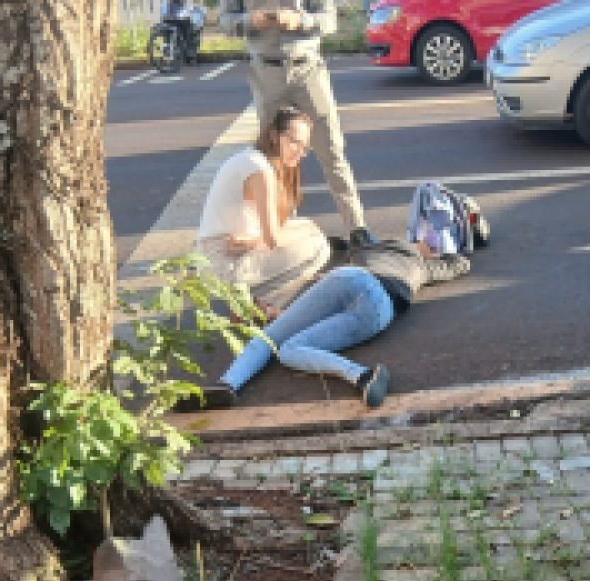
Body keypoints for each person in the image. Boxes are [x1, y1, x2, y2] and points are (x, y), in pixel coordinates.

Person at [179, 241, 470, 410]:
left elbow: (338, 244)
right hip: (380, 310)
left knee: (276, 342)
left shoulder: (373, 248)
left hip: (352, 280)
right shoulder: (420, 265)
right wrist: (450, 253)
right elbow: (457, 265)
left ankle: (228, 385)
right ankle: (363, 377)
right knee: (289, 349)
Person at [218, 0, 374, 249]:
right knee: (269, 159)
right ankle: (278, 232)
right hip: (266, 73)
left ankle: (357, 228)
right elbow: (224, 20)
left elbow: (329, 19)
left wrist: (300, 21)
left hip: (308, 71)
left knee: (332, 151)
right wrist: (250, 21)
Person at [196, 106, 330, 313]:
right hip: (222, 263)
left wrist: (251, 242)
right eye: (294, 142)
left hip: (217, 253)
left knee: (306, 227)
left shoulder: (252, 158)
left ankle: (262, 300)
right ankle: (266, 304)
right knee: (319, 247)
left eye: (304, 147)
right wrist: (308, 232)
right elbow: (273, 239)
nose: (300, 152)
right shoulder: (260, 169)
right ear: (274, 136)